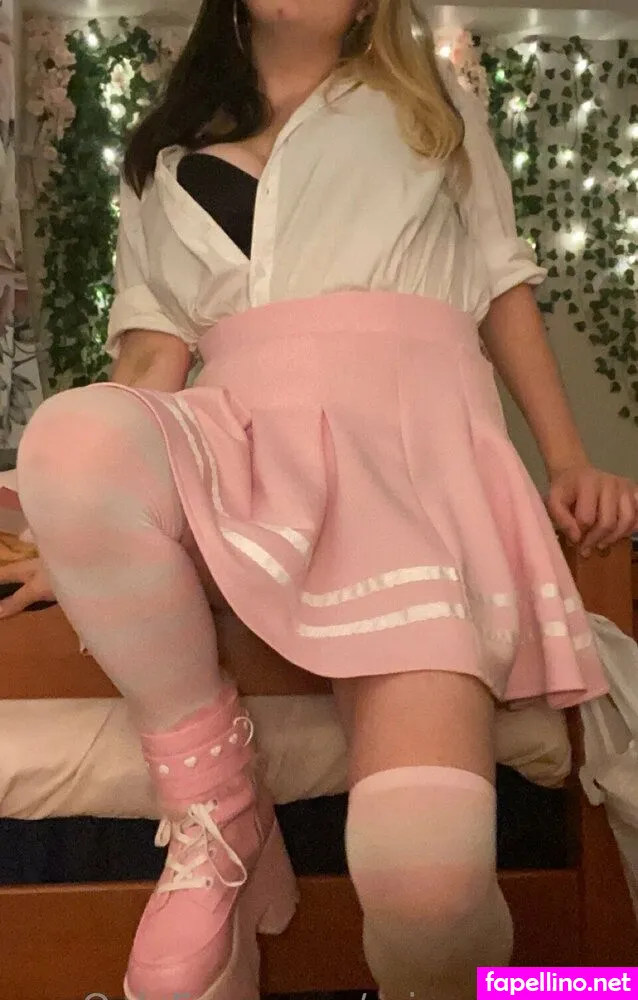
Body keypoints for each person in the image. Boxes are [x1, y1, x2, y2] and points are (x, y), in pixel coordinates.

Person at [4, 1, 638, 998]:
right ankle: (219, 808)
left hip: (409, 481)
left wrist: (567, 459)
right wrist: (83, 540)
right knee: (71, 436)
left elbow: (500, 281)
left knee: (428, 889)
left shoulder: (430, 103)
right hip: (241, 463)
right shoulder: (162, 154)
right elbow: (150, 356)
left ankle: (505, 989)